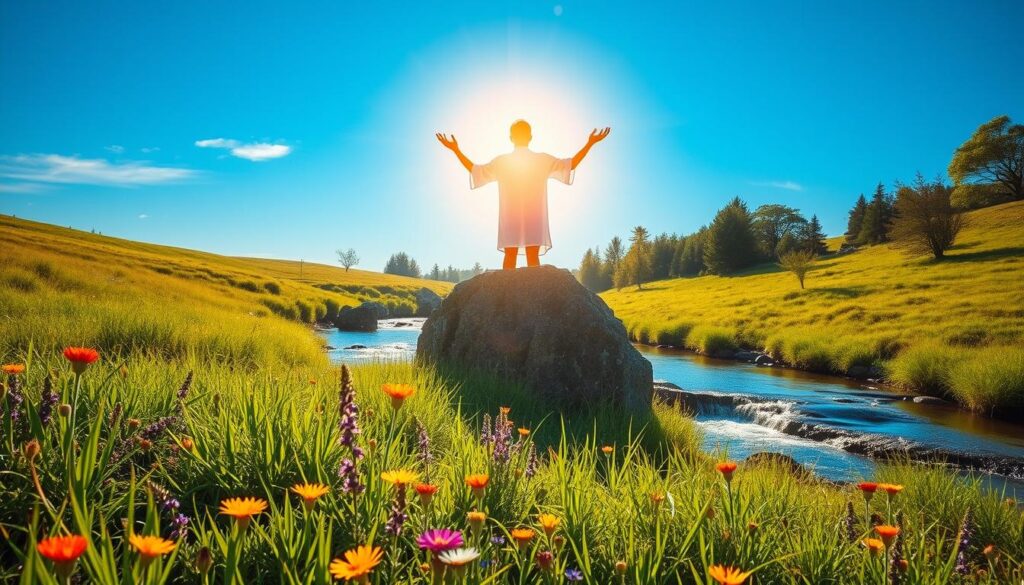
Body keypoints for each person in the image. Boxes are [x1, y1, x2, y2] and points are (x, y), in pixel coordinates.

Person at [436, 120, 610, 269]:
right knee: (533, 258)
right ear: (531, 137)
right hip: (535, 217)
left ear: (511, 138)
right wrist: (590, 143)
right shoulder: (542, 159)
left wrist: (455, 150)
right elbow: (570, 165)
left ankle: (506, 297)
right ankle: (534, 298)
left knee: (510, 257)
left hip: (510, 217)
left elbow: (475, 170)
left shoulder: (502, 162)